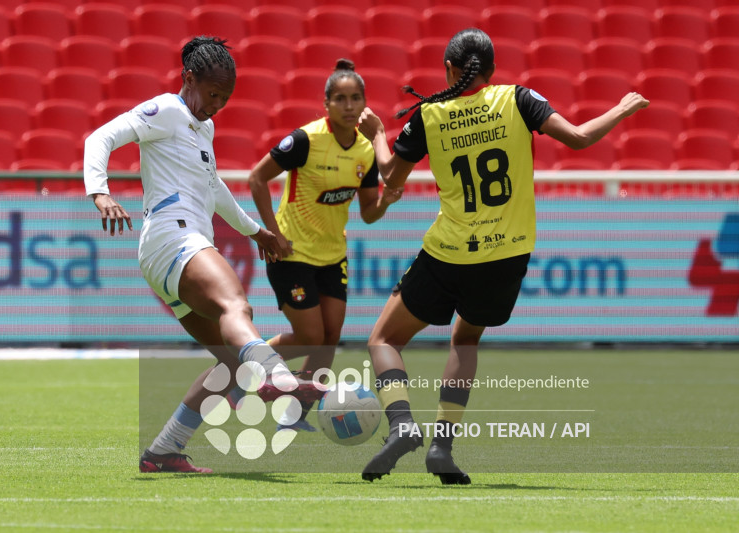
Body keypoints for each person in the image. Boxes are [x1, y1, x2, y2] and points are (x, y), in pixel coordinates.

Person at [356, 28, 649, 484]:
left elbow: (390, 178)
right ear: (491, 71)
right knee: (465, 341)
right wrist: (622, 107)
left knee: (383, 340)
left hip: (449, 251)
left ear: (449, 70)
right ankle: (441, 448)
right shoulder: (518, 99)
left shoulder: (429, 115)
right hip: (507, 255)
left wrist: (377, 135)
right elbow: (577, 138)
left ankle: (402, 425)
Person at [82, 36, 321, 474]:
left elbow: (214, 189)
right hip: (173, 238)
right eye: (213, 94)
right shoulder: (167, 110)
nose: (217, 105)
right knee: (238, 305)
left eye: (225, 98)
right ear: (188, 79)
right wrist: (100, 192)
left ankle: (162, 452)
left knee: (231, 362)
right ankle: (276, 376)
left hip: (167, 251)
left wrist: (256, 231)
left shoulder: (202, 127)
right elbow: (101, 137)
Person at [247, 59, 403, 431]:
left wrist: (386, 201)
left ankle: (294, 415)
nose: (349, 106)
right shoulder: (305, 140)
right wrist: (270, 233)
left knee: (329, 337)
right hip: (292, 252)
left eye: (356, 98)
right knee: (311, 335)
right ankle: (244, 362)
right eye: (341, 99)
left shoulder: (366, 151)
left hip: (333, 256)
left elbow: (368, 213)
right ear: (326, 103)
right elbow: (256, 179)